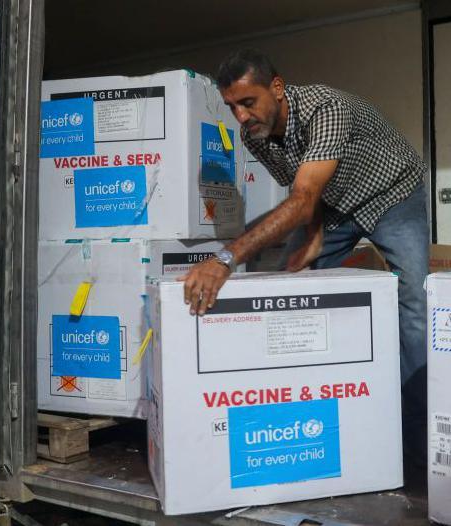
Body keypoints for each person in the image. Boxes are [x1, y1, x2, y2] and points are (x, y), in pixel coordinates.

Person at [179, 49, 429, 461]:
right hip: (333, 205)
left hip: (391, 194)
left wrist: (225, 259)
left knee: (415, 304)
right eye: (232, 107)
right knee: (291, 286)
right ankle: (317, 405)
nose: (241, 117)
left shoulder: (324, 108)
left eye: (248, 103)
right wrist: (314, 236)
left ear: (276, 88)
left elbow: (302, 196)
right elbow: (307, 198)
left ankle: (416, 436)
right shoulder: (253, 136)